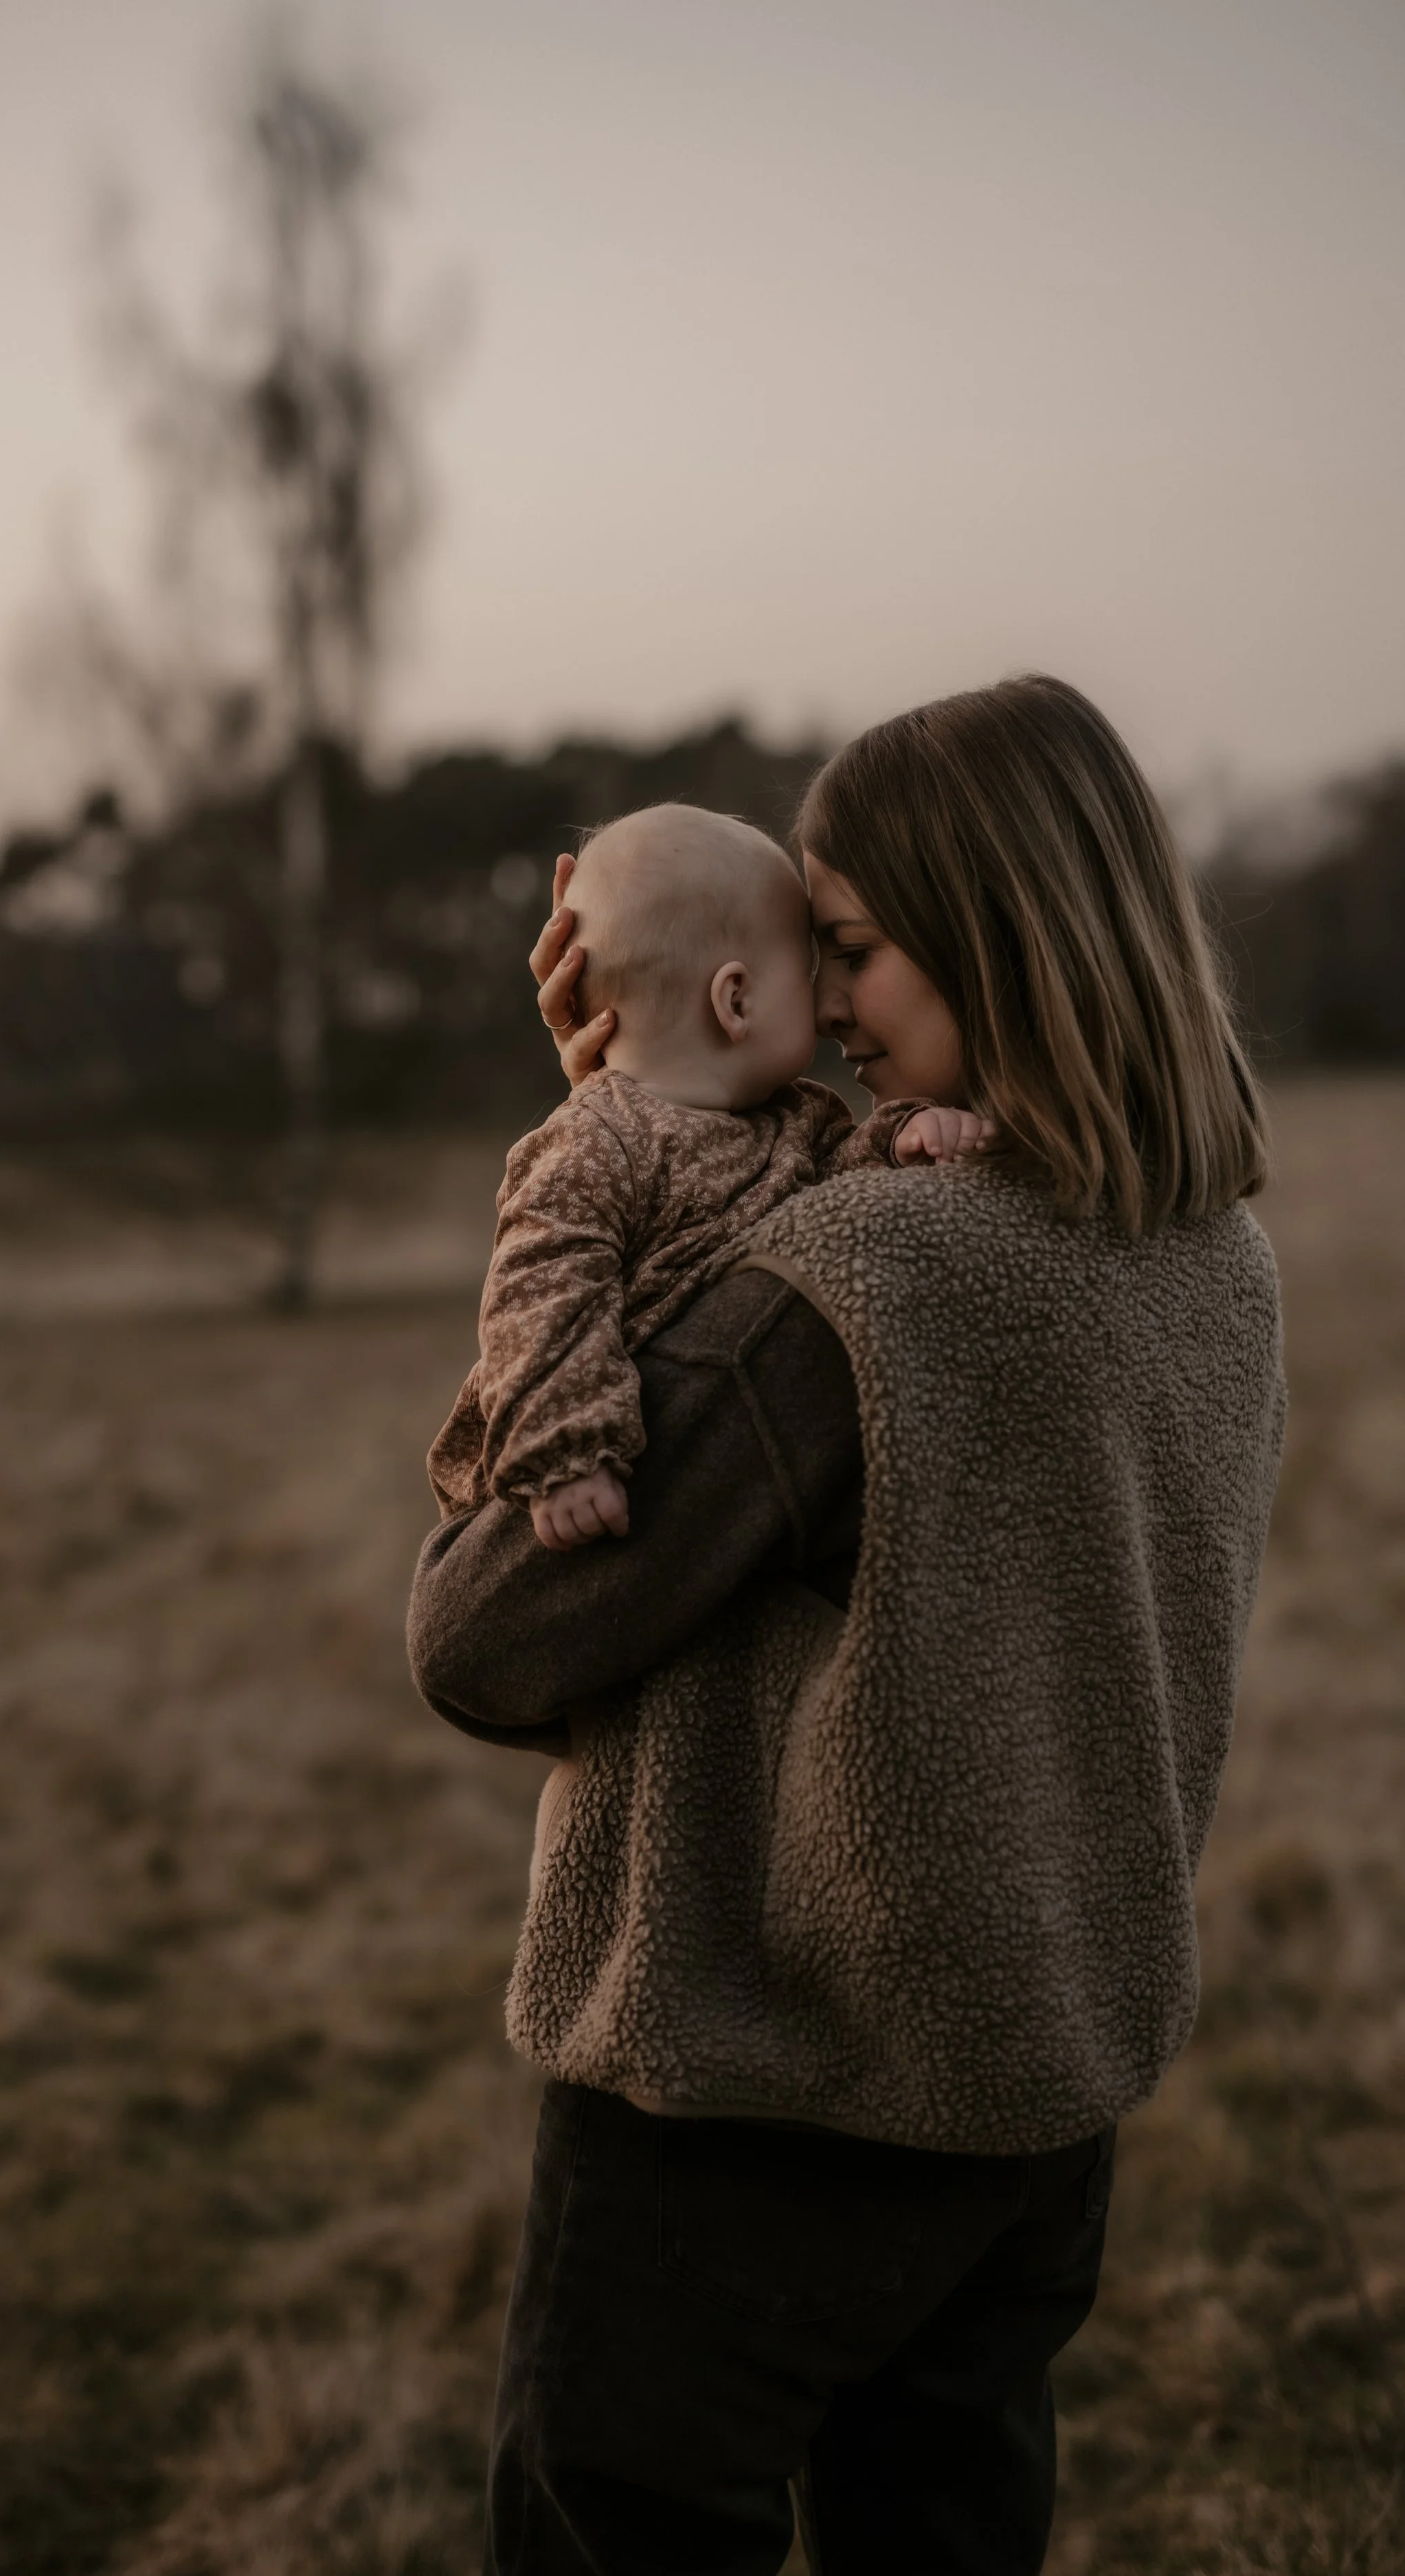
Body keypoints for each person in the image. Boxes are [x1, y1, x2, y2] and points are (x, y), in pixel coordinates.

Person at [407, 674, 1287, 2576]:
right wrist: (665, 1126)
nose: (825, 1008)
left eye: (856, 950)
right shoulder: (1216, 1252)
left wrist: (615, 1160)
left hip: (759, 2089)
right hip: (1034, 2096)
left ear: (1002, 931)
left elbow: (483, 1634)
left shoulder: (868, 1271)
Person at [427, 801, 987, 1551]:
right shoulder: (593, 1144)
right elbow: (540, 1294)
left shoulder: (796, 1117)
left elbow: (841, 1183)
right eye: (809, 967)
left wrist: (903, 1137)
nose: (824, 1007)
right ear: (735, 999)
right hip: (560, 1466)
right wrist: (567, 1452)